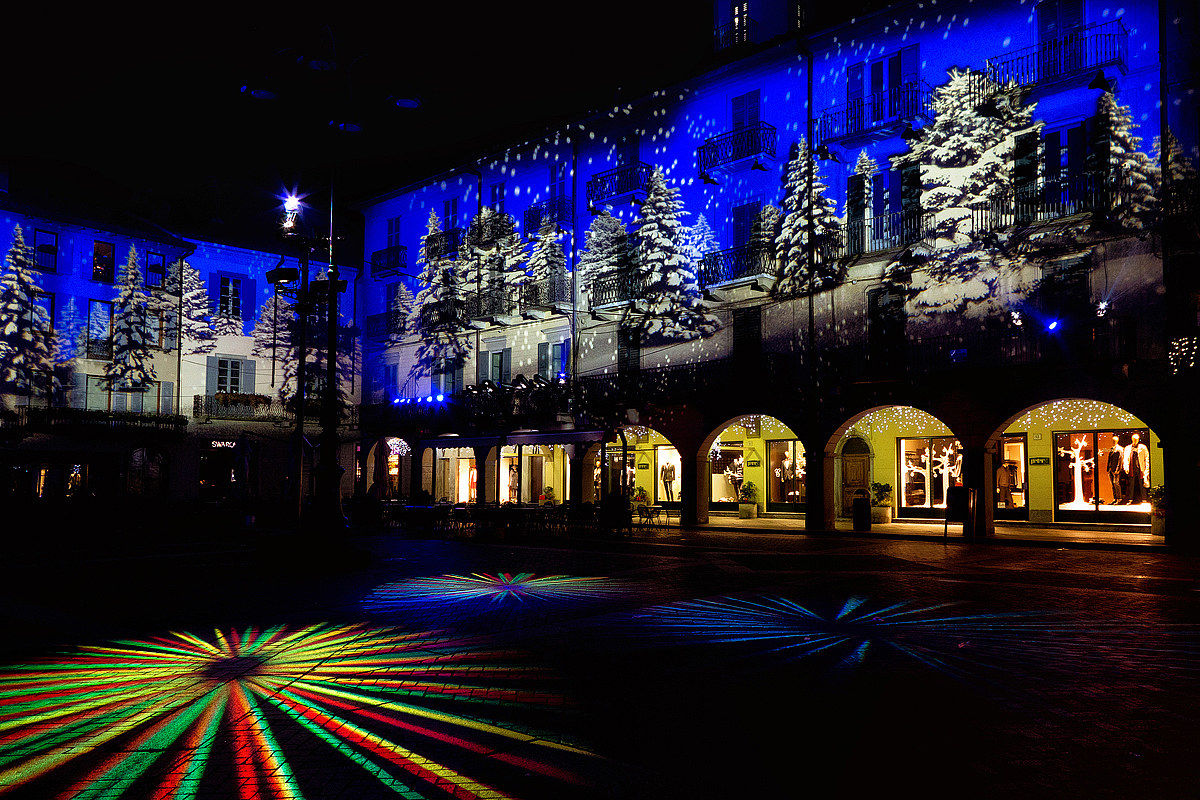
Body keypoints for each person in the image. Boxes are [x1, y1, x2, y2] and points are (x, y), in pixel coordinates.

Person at [1123, 432, 1150, 505]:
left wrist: (1146, 468)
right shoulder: (1128, 448)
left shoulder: (1143, 447)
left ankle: (1144, 499)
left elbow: (1147, 457)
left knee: (1142, 484)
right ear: (1132, 439)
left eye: (1137, 439)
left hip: (1140, 467)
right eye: (1134, 439)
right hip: (1131, 468)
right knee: (1131, 484)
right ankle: (1130, 499)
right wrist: (1125, 467)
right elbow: (1125, 458)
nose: (1135, 440)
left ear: (1138, 439)